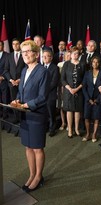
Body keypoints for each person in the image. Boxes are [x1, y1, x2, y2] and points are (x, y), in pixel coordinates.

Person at [10, 40, 50, 193]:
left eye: (28, 51)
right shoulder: (23, 71)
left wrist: (25, 105)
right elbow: (21, 91)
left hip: (36, 114)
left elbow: (42, 97)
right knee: (28, 146)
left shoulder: (43, 71)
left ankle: (39, 177)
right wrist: (17, 100)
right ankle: (32, 174)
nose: (25, 54)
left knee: (37, 148)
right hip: (25, 115)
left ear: (36, 53)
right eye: (23, 52)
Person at [61, 46, 85, 138]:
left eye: (77, 53)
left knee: (77, 110)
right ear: (70, 54)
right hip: (68, 91)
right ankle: (70, 129)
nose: (75, 55)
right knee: (70, 110)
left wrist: (77, 88)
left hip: (79, 91)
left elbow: (84, 79)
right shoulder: (66, 64)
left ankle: (76, 129)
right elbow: (62, 79)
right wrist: (70, 88)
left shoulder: (82, 64)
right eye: (74, 53)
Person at [3, 38, 26, 123]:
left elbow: (26, 68)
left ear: (20, 45)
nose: (15, 45)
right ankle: (17, 118)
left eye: (17, 44)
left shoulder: (24, 55)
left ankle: (23, 119)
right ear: (12, 45)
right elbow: (5, 70)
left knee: (22, 101)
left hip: (22, 83)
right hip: (11, 83)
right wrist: (11, 80)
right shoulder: (9, 56)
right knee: (14, 101)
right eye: (13, 44)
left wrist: (20, 80)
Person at [82, 56, 101, 143]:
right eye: (93, 62)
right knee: (87, 117)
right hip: (88, 100)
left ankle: (94, 134)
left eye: (97, 62)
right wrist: (88, 99)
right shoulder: (87, 73)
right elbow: (84, 87)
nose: (95, 63)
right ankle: (88, 134)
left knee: (96, 118)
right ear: (91, 63)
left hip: (98, 100)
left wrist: (97, 99)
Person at [42, 49, 60, 137]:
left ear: (51, 57)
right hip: (41, 95)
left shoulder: (54, 68)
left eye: (46, 56)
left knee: (51, 112)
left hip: (50, 94)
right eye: (43, 56)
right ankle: (45, 127)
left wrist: (44, 90)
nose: (44, 58)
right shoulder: (40, 67)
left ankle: (52, 128)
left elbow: (54, 82)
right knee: (44, 112)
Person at [57, 51, 71, 130]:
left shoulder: (73, 64)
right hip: (60, 87)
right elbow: (58, 77)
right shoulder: (59, 64)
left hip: (69, 88)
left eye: (70, 55)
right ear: (64, 56)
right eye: (67, 55)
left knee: (68, 106)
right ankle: (63, 122)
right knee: (61, 106)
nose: (68, 57)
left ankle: (69, 124)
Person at [0, 41, 9, 119]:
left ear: (3, 46)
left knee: (4, 98)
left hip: (4, 80)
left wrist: (2, 77)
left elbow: (7, 68)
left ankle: (5, 114)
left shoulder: (7, 55)